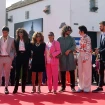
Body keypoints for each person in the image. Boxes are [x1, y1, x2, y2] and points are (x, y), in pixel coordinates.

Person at [58, 25, 76, 92]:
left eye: (70, 30)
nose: (69, 32)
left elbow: (74, 46)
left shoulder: (71, 39)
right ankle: (63, 87)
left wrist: (69, 50)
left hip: (70, 57)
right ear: (64, 30)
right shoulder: (59, 39)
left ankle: (73, 87)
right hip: (62, 57)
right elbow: (57, 48)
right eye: (68, 30)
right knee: (62, 72)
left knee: (71, 72)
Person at [13, 28, 31, 94]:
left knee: (24, 73)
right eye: (19, 32)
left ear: (24, 33)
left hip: (25, 56)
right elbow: (15, 49)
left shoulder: (27, 40)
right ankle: (15, 88)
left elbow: (29, 50)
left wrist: (29, 58)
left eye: (21, 32)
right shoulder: (16, 40)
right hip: (19, 56)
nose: (20, 34)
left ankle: (23, 89)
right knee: (17, 73)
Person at [0, 26, 15, 94]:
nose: (4, 33)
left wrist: (11, 57)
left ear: (8, 32)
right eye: (3, 32)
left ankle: (6, 87)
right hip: (0, 57)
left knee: (7, 73)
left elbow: (13, 49)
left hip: (8, 58)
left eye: (5, 32)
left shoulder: (12, 39)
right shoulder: (0, 38)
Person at [77, 26, 92, 93]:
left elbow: (88, 49)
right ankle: (81, 87)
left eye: (79, 31)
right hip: (80, 55)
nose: (78, 32)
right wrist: (77, 49)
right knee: (80, 72)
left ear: (82, 31)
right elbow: (81, 48)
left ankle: (87, 88)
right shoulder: (81, 38)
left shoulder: (88, 38)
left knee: (86, 72)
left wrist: (85, 58)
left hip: (86, 57)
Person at [92, 21, 105, 92]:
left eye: (101, 26)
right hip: (102, 57)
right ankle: (100, 86)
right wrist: (98, 49)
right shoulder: (101, 35)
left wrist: (100, 51)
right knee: (100, 71)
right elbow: (101, 46)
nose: (99, 28)